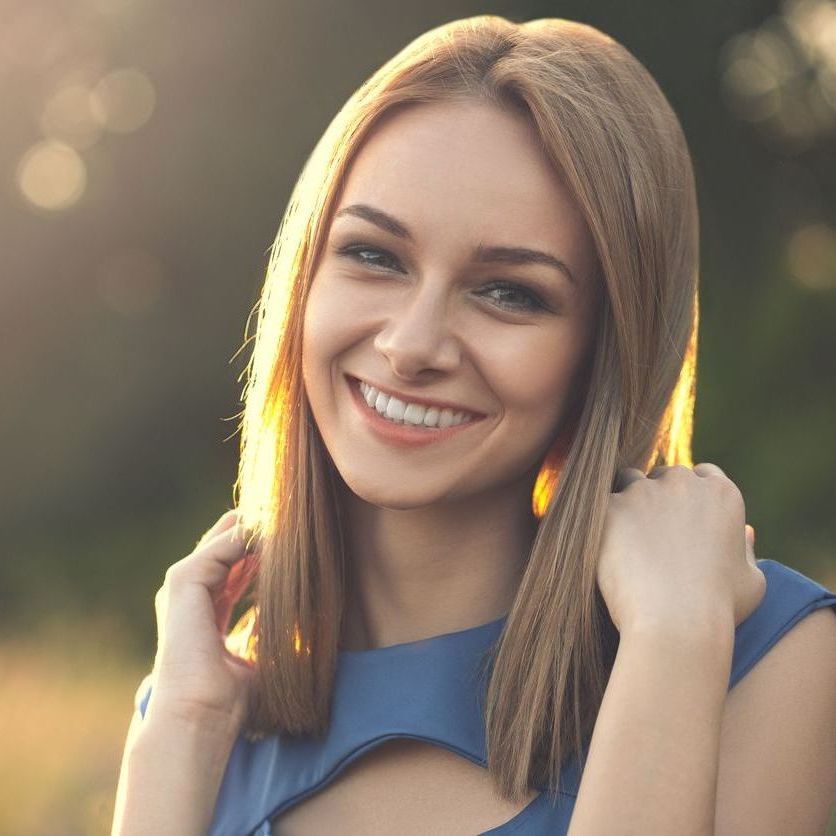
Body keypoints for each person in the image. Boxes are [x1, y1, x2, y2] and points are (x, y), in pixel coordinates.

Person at [111, 15, 836, 835]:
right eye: (374, 256)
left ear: (605, 351)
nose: (411, 345)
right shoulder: (200, 705)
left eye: (509, 292)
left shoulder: (754, 650)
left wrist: (671, 643)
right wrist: (175, 738)